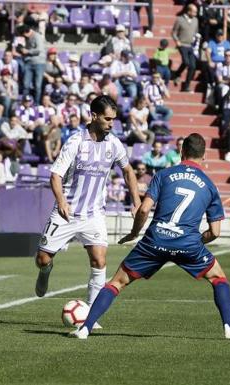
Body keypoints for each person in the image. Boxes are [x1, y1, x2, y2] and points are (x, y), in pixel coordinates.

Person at [70, 133, 230, 341]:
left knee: (117, 282)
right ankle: (229, 328)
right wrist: (195, 242)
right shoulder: (209, 185)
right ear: (204, 155)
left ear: (182, 152)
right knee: (219, 279)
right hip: (188, 244)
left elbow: (143, 210)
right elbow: (215, 232)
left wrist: (134, 233)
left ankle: (85, 328)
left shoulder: (164, 175)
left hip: (154, 242)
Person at [34, 95, 141, 318]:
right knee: (42, 259)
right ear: (94, 116)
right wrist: (62, 201)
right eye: (108, 119)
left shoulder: (114, 143)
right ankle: (46, 270)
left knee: (99, 261)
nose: (112, 124)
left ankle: (91, 315)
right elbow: (55, 175)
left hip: (94, 214)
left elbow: (128, 171)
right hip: (67, 213)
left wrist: (136, 201)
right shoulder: (76, 142)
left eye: (114, 119)